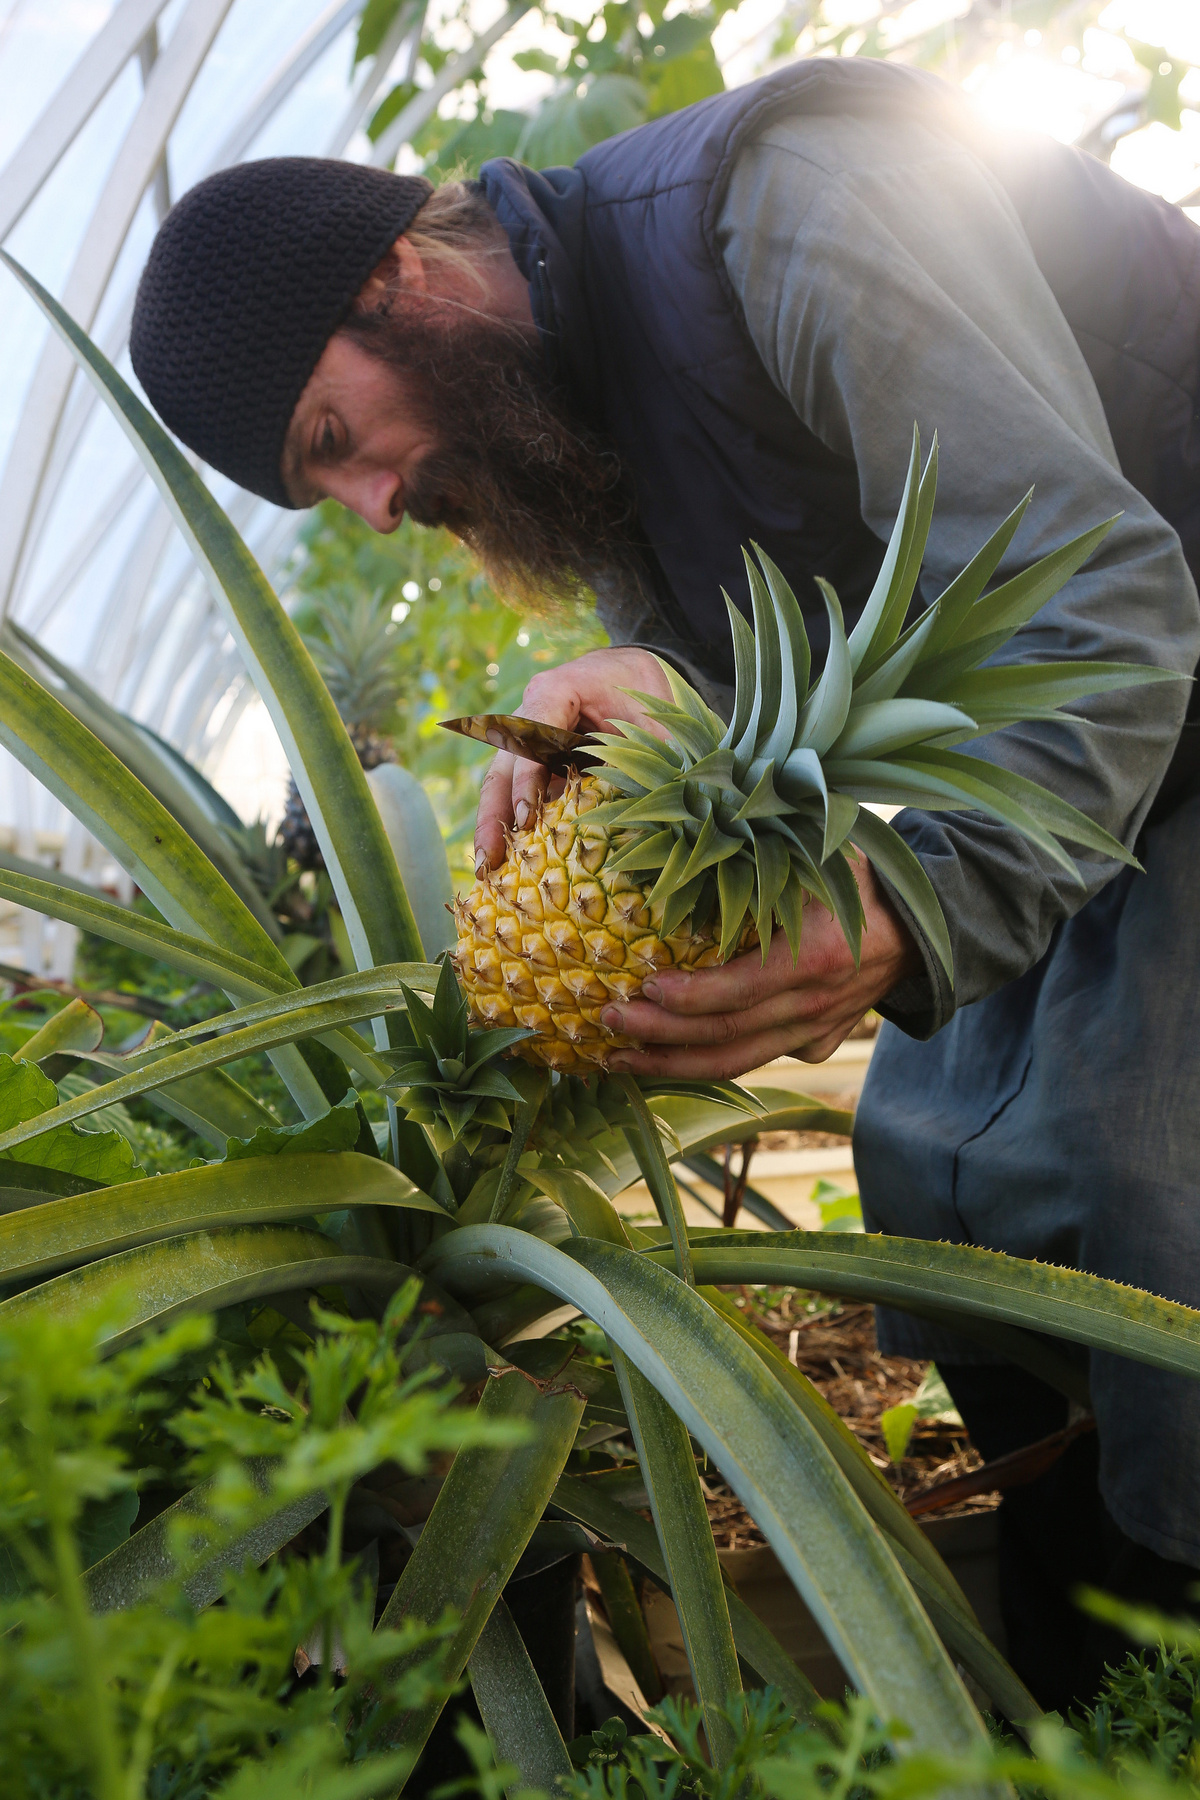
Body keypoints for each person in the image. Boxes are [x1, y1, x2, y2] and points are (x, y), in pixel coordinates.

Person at [129, 56, 1200, 1710]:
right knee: (935, 1173)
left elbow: (1102, 594)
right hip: (1037, 766)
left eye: (335, 440)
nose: (377, 503)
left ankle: (1163, 1682)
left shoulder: (794, 207)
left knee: (1141, 1193)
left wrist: (912, 909)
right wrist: (643, 695)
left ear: (398, 280)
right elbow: (799, 655)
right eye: (323, 491)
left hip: (1159, 689)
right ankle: (1085, 1677)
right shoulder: (576, 402)